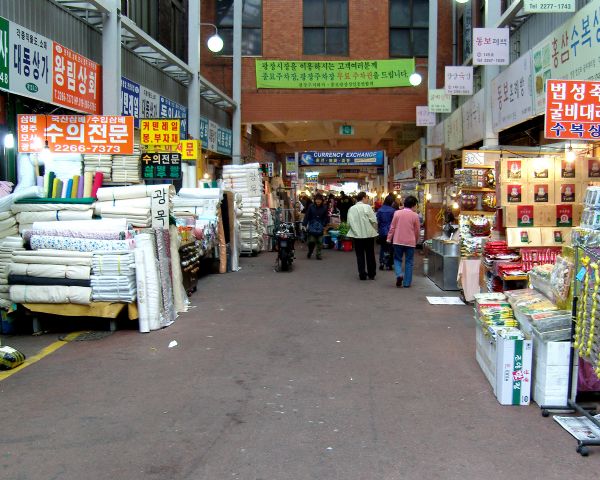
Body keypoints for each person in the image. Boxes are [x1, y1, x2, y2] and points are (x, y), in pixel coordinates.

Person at [387, 195, 420, 288]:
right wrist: (416, 240)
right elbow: (417, 230)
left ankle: (399, 275)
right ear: (413, 205)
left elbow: (392, 227)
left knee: (397, 259)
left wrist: (389, 238)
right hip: (410, 242)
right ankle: (406, 283)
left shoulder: (397, 213)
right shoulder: (415, 216)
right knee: (409, 261)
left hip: (398, 241)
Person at [347, 191, 378, 280]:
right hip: (368, 235)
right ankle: (371, 274)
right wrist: (375, 229)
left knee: (359, 255)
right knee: (370, 254)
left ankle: (362, 274)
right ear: (363, 198)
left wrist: (355, 230)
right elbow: (373, 220)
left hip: (357, 236)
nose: (368, 199)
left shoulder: (352, 209)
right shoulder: (368, 207)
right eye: (367, 198)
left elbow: (349, 222)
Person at [302, 193, 329, 259]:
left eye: (319, 200)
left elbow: (326, 217)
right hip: (312, 225)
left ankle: (318, 254)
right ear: (315, 200)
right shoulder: (311, 206)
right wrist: (304, 224)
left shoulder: (325, 207)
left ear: (322, 200)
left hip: (320, 226)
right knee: (311, 241)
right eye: (317, 199)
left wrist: (324, 224)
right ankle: (310, 251)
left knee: (320, 241)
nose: (318, 201)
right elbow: (307, 215)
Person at [376, 194, 396, 270]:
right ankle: (388, 264)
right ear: (391, 202)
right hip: (390, 231)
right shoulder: (393, 211)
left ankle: (381, 262)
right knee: (390, 248)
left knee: (383, 247)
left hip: (382, 231)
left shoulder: (380, 210)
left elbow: (378, 221)